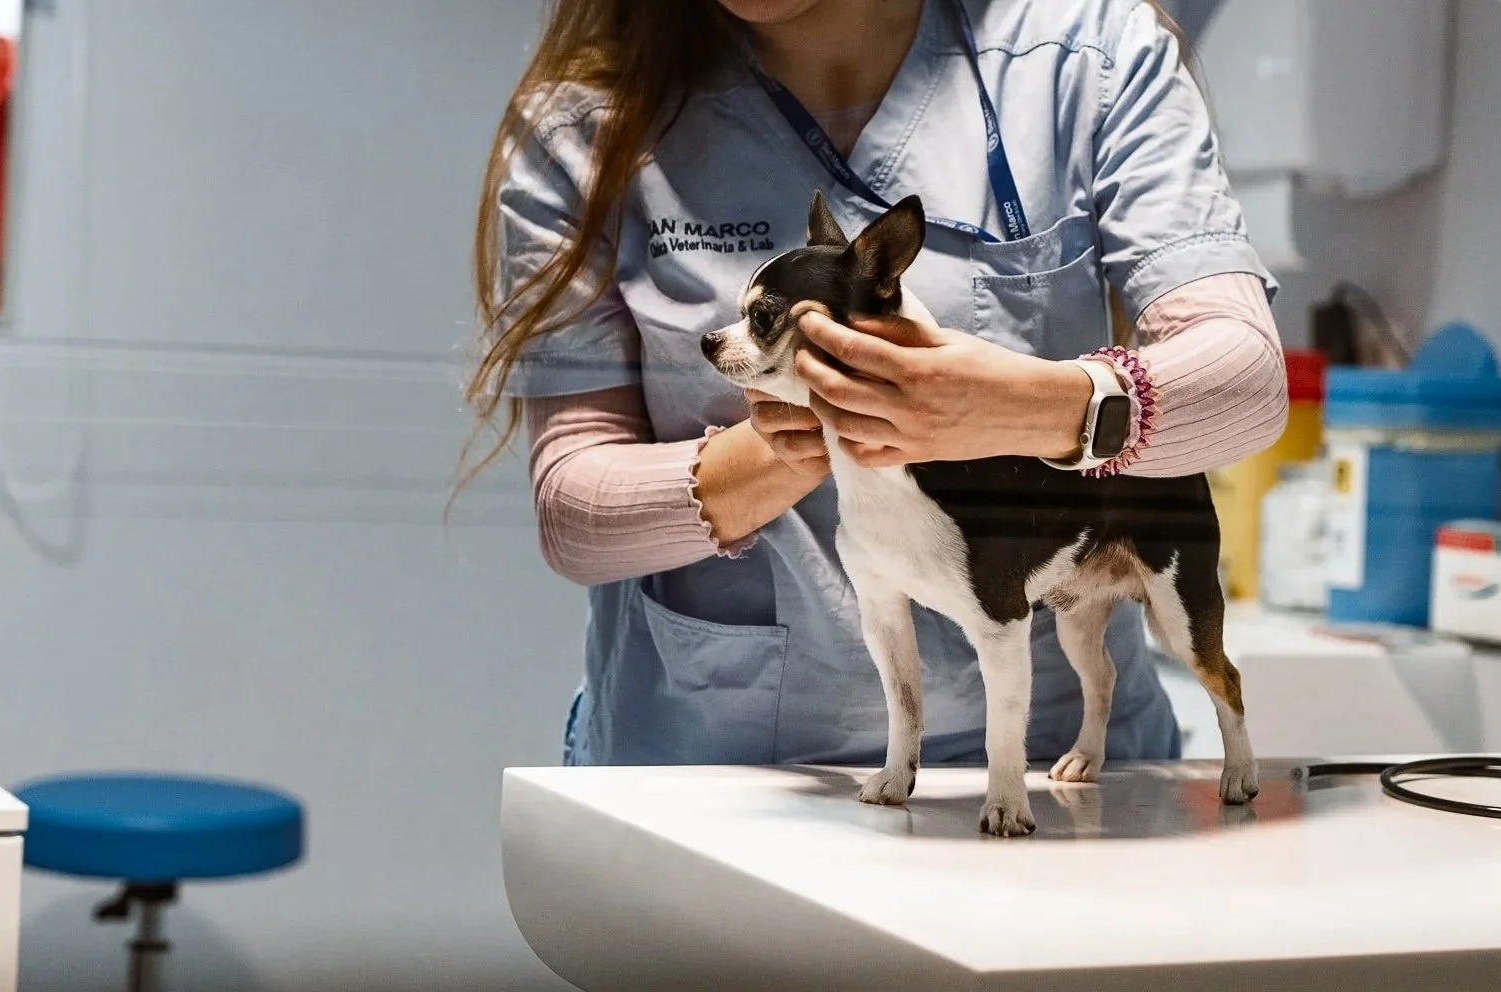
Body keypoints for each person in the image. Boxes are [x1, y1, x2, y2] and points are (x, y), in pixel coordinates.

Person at [466, 0, 1286, 769]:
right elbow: (573, 514)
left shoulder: (1085, 53)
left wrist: (1016, 409)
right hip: (720, 789)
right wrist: (783, 449)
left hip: (1054, 779)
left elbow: (1244, 384)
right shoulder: (588, 125)